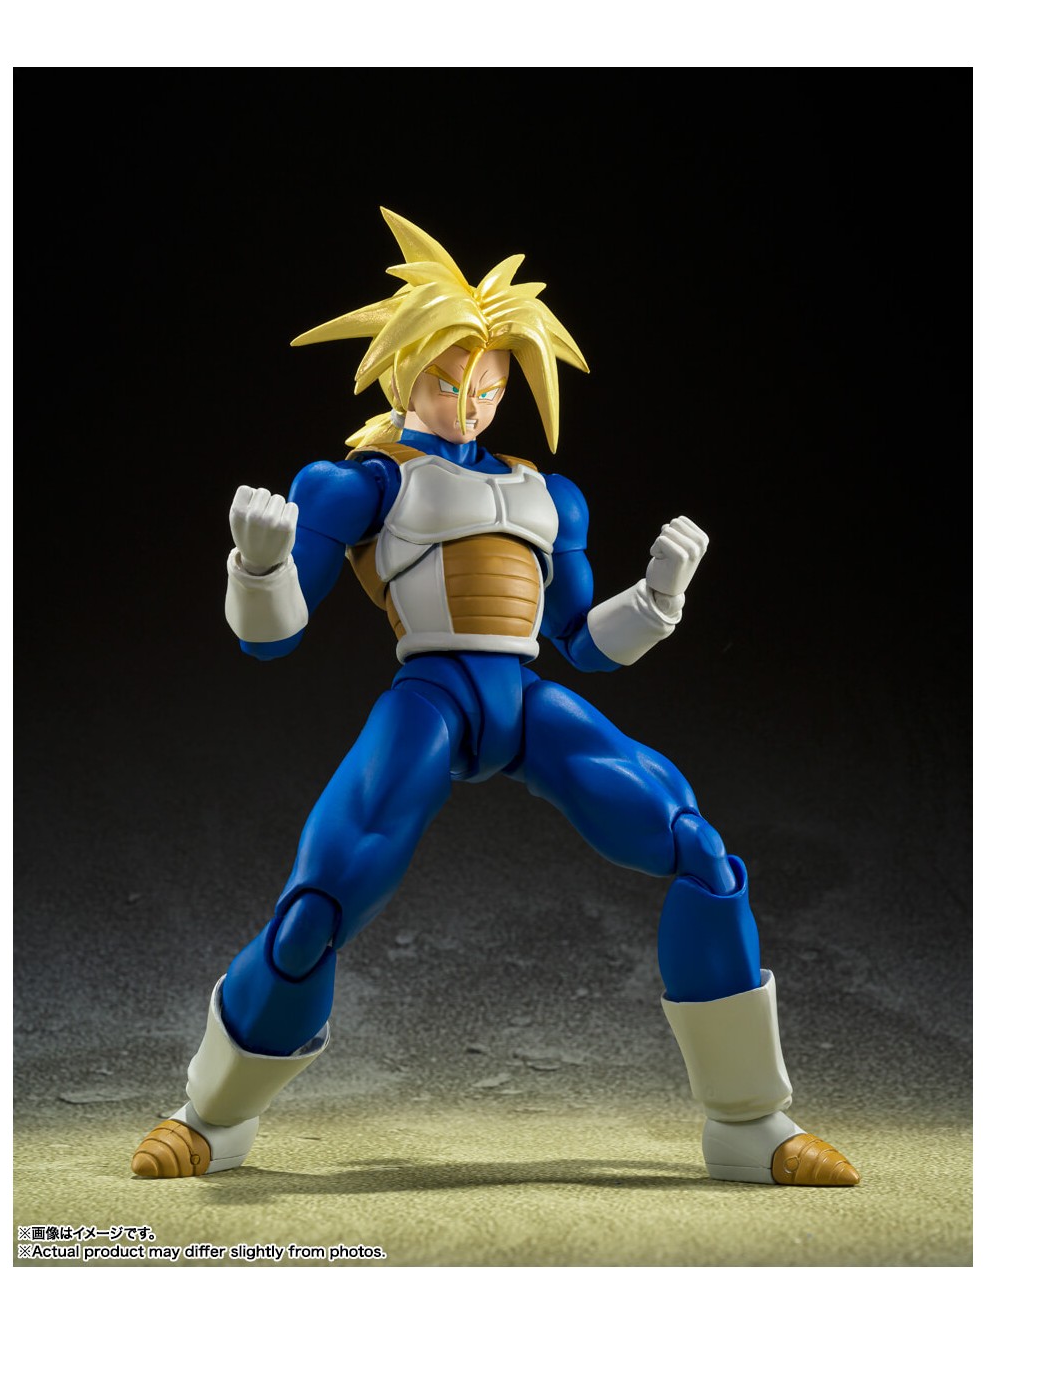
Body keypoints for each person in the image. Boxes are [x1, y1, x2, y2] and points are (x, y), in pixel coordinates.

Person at [132, 208, 858, 1187]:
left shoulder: (550, 495)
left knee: (698, 848)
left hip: (525, 699)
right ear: (402, 371)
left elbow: (580, 644)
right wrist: (257, 567)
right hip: (430, 699)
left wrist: (656, 600)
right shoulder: (361, 482)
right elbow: (272, 638)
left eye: (489, 385)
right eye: (447, 381)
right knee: (315, 907)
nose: (469, 402)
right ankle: (210, 1116)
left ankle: (748, 1121)